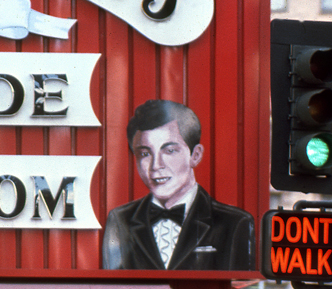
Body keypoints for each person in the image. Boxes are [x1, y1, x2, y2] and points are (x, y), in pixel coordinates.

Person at [102, 99, 255, 270]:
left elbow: (241, 285)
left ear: (195, 155)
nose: (156, 166)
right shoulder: (120, 220)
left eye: (170, 151)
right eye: (145, 154)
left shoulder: (234, 223)